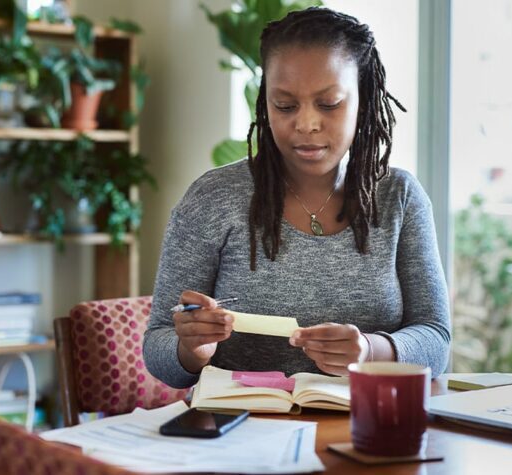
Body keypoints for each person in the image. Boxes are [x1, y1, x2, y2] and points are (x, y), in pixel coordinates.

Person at [144, 7, 450, 389]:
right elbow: (158, 345)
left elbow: (437, 341)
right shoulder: (212, 199)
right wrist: (193, 349)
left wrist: (370, 350)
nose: (306, 124)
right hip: (245, 430)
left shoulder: (400, 198)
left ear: (363, 101)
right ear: (265, 102)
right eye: (285, 105)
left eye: (329, 104)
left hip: (374, 426)